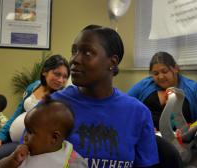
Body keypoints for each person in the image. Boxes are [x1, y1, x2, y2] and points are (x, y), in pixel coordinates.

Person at [50, 25, 159, 167]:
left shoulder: (138, 113)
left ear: (112, 62)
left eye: (87, 53)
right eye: (74, 51)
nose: (74, 60)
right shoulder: (52, 107)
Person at [0, 54, 70, 168]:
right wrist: (2, 135)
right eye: (57, 74)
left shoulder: (60, 98)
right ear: (44, 72)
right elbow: (17, 113)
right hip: (9, 136)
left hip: (23, 143)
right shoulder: (34, 86)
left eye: (65, 76)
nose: (61, 80)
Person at [128, 51, 197, 130]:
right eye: (155, 73)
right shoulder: (145, 85)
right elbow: (125, 103)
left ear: (175, 68)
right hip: (147, 137)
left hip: (181, 144)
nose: (160, 77)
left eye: (164, 71)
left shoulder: (194, 89)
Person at [0, 97, 88, 168]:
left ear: (54, 137)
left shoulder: (72, 161)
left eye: (30, 132)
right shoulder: (23, 152)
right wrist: (13, 160)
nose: (25, 137)